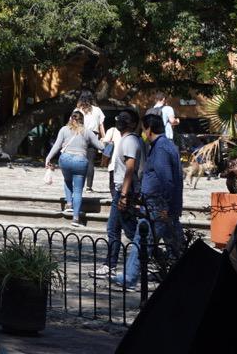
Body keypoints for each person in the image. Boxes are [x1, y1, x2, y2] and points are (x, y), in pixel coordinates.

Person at [114, 112, 184, 289]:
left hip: (157, 206)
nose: (143, 133)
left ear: (149, 129)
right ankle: (180, 276)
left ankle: (130, 277)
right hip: (161, 205)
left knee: (142, 240)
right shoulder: (166, 145)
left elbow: (166, 179)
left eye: (144, 129)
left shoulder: (161, 149)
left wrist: (165, 207)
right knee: (175, 244)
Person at [97, 109, 144, 277]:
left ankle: (152, 257)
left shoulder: (130, 140)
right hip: (121, 191)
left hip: (126, 192)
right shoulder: (126, 139)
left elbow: (130, 169)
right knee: (115, 229)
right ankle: (110, 264)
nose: (120, 120)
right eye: (120, 117)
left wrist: (123, 195)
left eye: (125, 118)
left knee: (130, 231)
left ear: (133, 123)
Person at [45, 109, 105, 227]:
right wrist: (105, 141)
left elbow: (57, 145)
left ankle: (69, 204)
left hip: (65, 160)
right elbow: (101, 147)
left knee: (67, 180)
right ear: (82, 120)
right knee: (78, 190)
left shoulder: (64, 130)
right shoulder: (88, 132)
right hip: (80, 161)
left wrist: (48, 158)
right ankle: (76, 218)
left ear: (71, 119)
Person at [78, 91, 106, 192]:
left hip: (80, 135)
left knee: (79, 160)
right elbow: (101, 125)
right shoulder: (97, 110)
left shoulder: (77, 110)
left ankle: (79, 184)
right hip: (93, 136)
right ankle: (88, 186)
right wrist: (104, 138)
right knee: (90, 162)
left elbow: (72, 124)